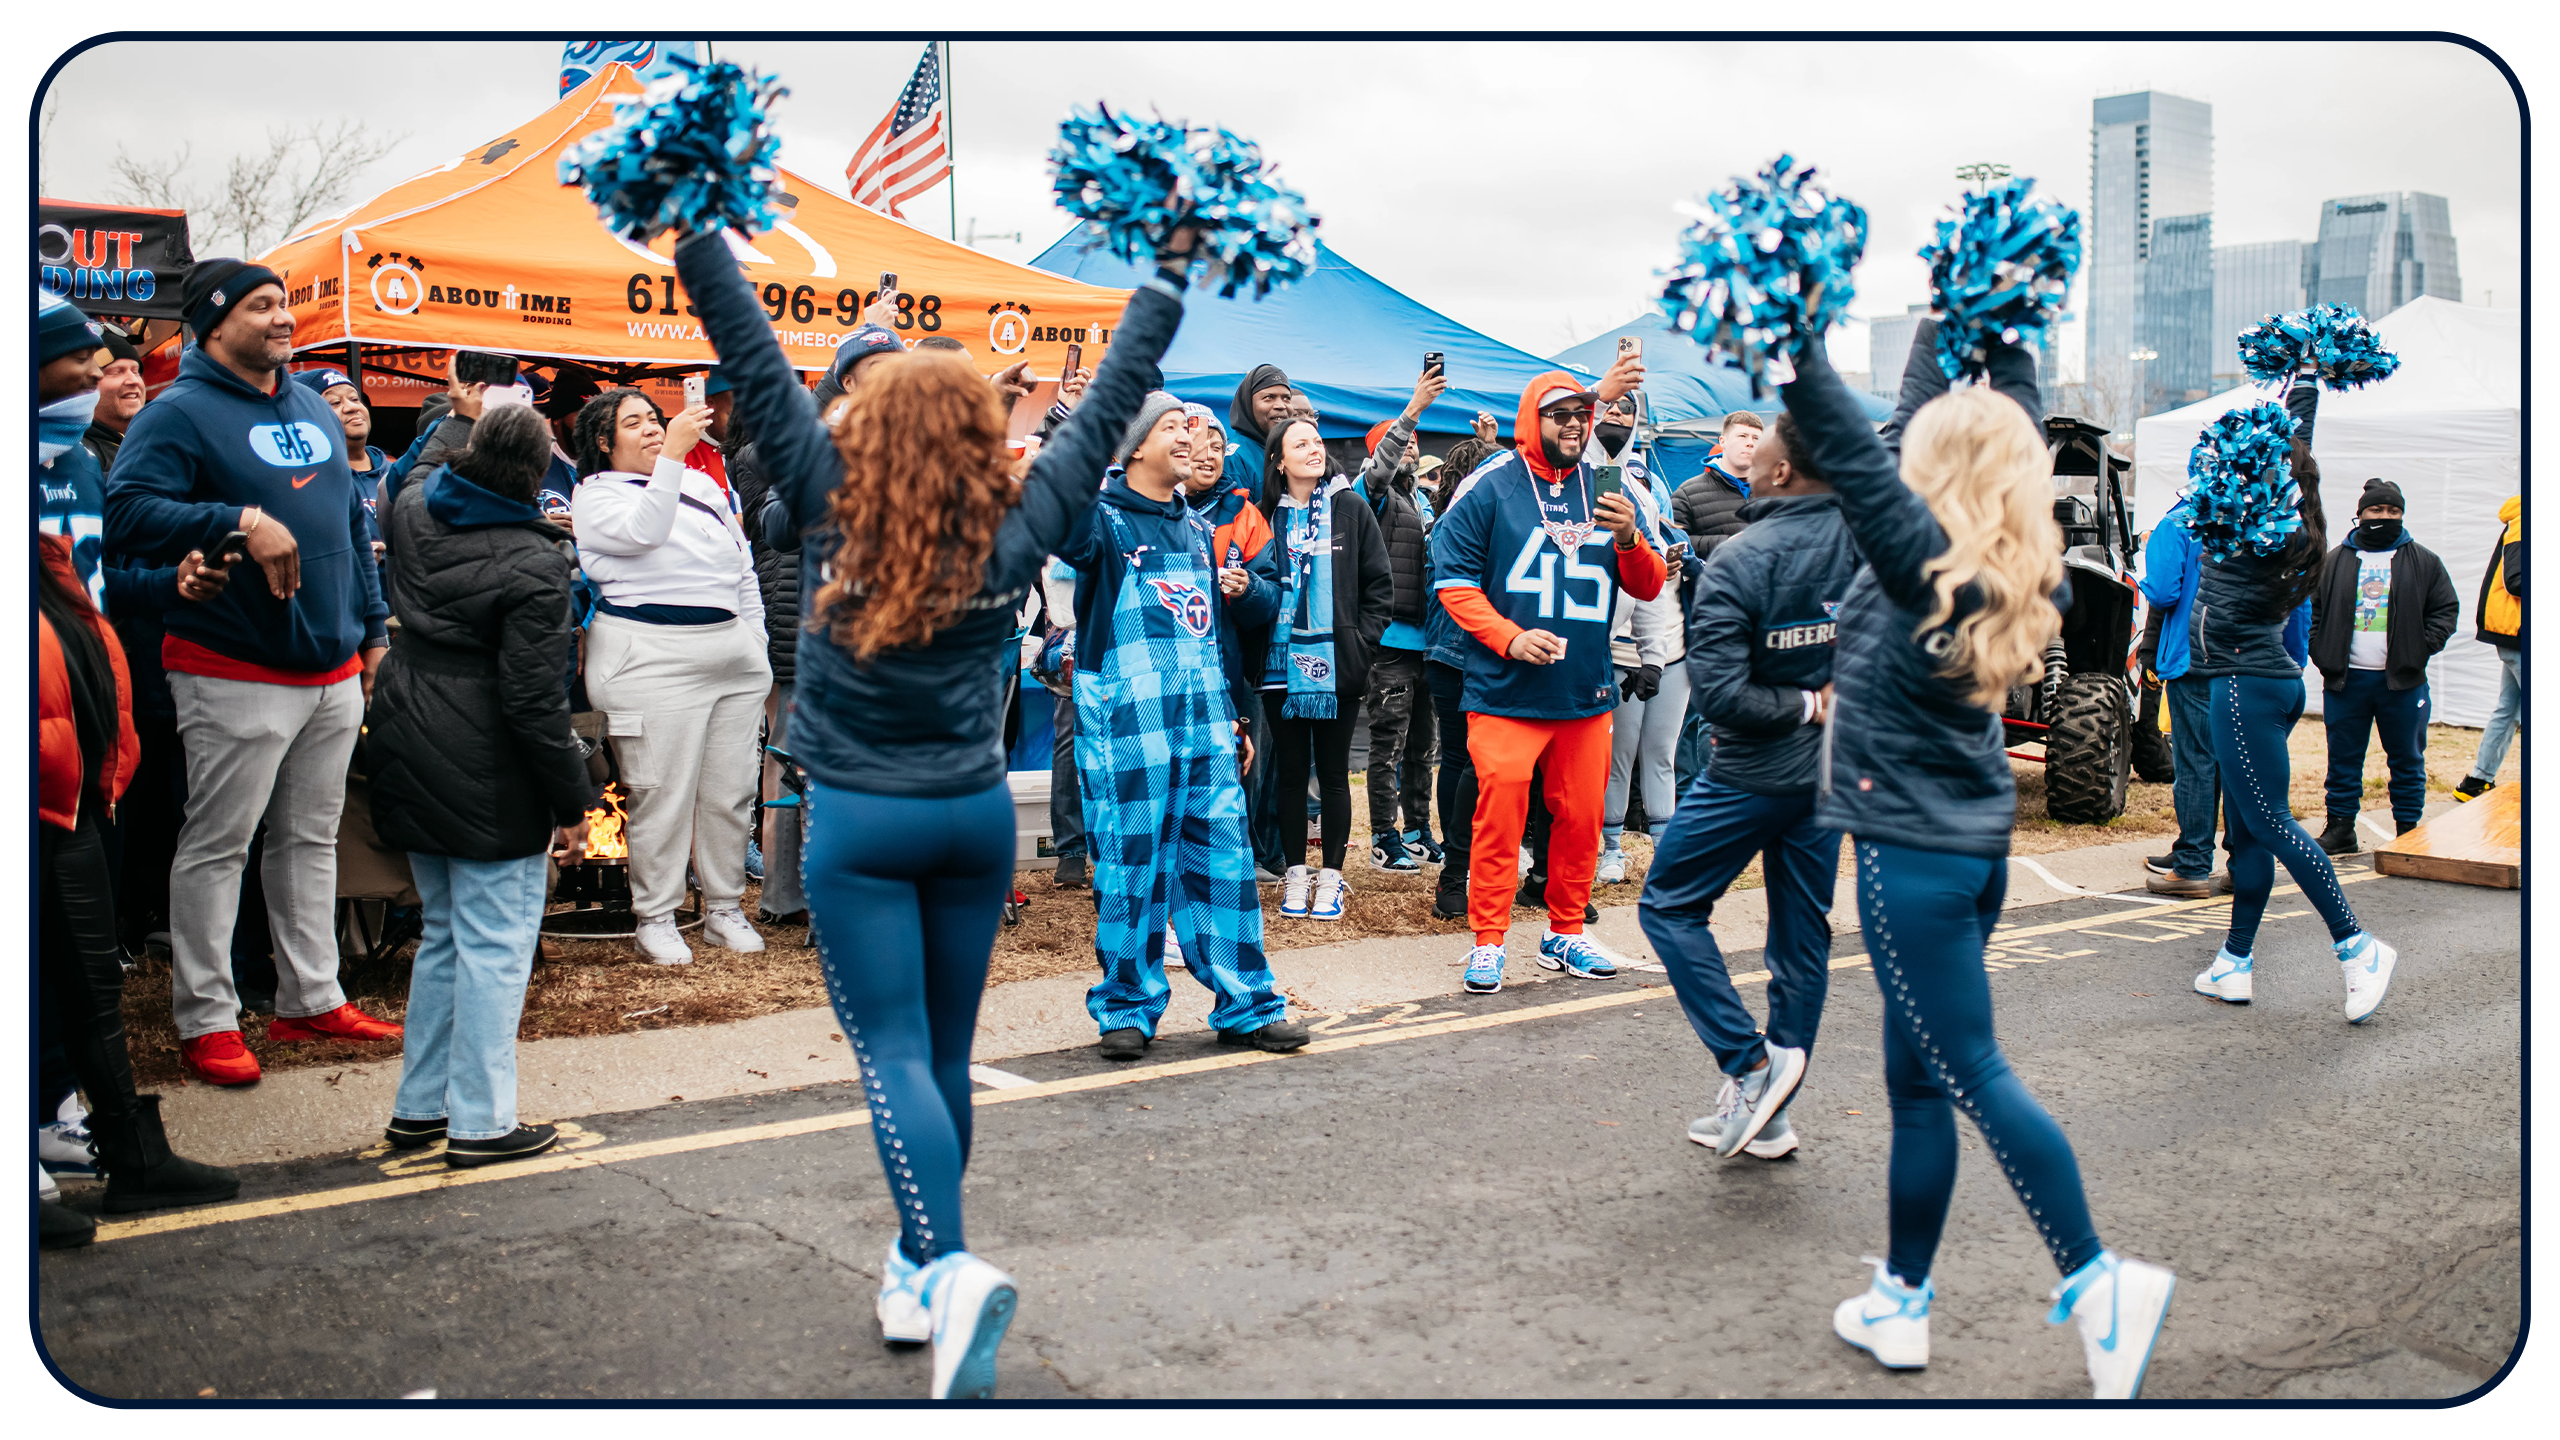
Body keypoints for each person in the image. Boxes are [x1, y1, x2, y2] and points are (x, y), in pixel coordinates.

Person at [674, 214, 1197, 1400]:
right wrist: (1162, 276)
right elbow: (1114, 394)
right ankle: (918, 1265)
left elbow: (747, 346)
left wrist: (699, 230)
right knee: (943, 1057)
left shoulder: (823, 498)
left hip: (862, 826)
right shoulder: (1016, 528)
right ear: (972, 428)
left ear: (865, 426)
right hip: (971, 823)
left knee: (896, 1056)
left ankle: (949, 1264)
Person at [1783, 324, 2174, 1398]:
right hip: (1969, 848)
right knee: (1918, 1087)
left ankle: (2098, 1281)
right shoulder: (2002, 554)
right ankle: (1901, 1301)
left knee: (1967, 1073)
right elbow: (1959, 425)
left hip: (1910, 858)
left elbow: (1855, 444)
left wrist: (1781, 331)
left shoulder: (1913, 558)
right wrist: (1974, 323)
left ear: (1928, 475)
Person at [103, 259, 402, 1087]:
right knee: (218, 844)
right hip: (230, 663)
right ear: (214, 322)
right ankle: (205, 1018)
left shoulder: (307, 399)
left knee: (310, 838)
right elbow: (124, 513)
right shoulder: (177, 413)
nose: (281, 318)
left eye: (283, 305)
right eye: (262, 306)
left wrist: (371, 632)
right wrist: (237, 519)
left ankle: (310, 998)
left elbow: (350, 519)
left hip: (332, 665)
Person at [367, 405, 598, 1167]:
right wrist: (574, 801)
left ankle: (421, 1105)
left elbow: (422, 468)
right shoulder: (537, 564)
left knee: (444, 935)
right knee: (496, 944)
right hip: (484, 752)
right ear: (537, 476)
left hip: (409, 723)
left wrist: (468, 412)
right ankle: (480, 1120)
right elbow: (535, 703)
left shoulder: (412, 510)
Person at [1061, 391, 1306, 1059]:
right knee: (1133, 868)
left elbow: (1209, 636)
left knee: (1224, 866)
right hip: (1130, 730)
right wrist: (1081, 435)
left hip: (1205, 729)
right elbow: (1061, 523)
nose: (1189, 435)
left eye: (1191, 426)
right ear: (1135, 446)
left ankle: (1248, 1004)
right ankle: (1128, 1006)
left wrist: (1231, 716)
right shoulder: (1104, 523)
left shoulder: (1198, 529)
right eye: (1172, 426)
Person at [1638, 409, 1855, 1162]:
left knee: (1667, 906)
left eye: (1759, 446)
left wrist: (1803, 702)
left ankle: (1752, 1066)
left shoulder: (1739, 556)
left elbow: (1722, 694)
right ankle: (1773, 1110)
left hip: (1753, 774)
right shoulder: (1869, 546)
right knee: (1801, 934)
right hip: (1830, 774)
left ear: (1784, 471)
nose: (1747, 451)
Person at [1429, 360, 1662, 995]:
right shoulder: (1492, 483)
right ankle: (1488, 939)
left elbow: (1649, 583)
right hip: (1505, 690)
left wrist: (1630, 540)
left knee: (1583, 816)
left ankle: (1565, 931)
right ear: (1532, 417)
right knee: (1500, 809)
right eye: (1559, 413)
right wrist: (1510, 636)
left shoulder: (1614, 485)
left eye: (1582, 415)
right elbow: (1450, 578)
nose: (1573, 424)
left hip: (1584, 687)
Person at [39, 526, 242, 1244]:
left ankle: (134, 1155)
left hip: (74, 798)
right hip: (42, 798)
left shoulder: (46, 559)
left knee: (91, 988)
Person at [570, 385, 771, 965]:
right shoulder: (594, 495)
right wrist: (676, 460)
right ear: (604, 442)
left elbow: (742, 566)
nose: (655, 428)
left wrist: (752, 639)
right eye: (635, 423)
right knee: (662, 792)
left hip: (729, 651)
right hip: (649, 653)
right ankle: (655, 915)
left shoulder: (703, 483)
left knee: (730, 791)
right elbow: (643, 532)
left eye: (655, 419)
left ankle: (724, 908)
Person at [1258, 416, 1394, 921]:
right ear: (1279, 460)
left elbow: (1380, 586)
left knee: (1335, 775)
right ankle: (1296, 874)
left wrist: (1360, 644)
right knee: (1291, 776)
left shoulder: (1350, 507)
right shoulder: (1264, 514)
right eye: (1301, 444)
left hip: (1338, 665)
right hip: (1278, 666)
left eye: (1316, 441)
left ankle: (1332, 878)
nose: (1314, 449)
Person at [2308, 477, 2459, 851]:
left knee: (2407, 759)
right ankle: (2341, 829)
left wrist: (2419, 649)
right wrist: (2321, 650)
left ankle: (2409, 832)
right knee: (2342, 759)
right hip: (2347, 681)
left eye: (2393, 511)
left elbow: (2445, 609)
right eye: (2376, 509)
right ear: (2360, 515)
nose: (2385, 516)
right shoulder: (2334, 561)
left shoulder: (2423, 561)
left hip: (2403, 683)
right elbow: (2313, 610)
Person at [1358, 369, 1448, 872]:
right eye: (1403, 441)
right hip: (1389, 640)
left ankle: (1417, 829)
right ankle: (1382, 836)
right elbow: (1379, 470)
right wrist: (1410, 411)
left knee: (1422, 745)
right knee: (1387, 744)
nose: (1412, 446)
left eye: (1415, 440)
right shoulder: (1369, 495)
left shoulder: (1419, 500)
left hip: (1425, 640)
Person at [1595, 391, 1685, 880]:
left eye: (1627, 412)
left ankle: (1661, 851)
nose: (1617, 416)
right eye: (1609, 408)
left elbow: (1649, 567)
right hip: (1602, 643)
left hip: (1664, 639)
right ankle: (1606, 849)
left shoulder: (1646, 491)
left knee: (1659, 752)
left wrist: (1673, 556)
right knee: (1616, 756)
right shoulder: (1581, 478)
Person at [1420, 435, 1503, 920]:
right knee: (1465, 759)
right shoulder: (1461, 522)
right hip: (1460, 652)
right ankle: (1457, 871)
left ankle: (1471, 868)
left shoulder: (1451, 519)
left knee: (1466, 760)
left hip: (1462, 653)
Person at [1672, 411, 1764, 794]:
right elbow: (1671, 542)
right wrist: (1724, 545)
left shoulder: (1771, 491)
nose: (1750, 444)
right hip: (1703, 613)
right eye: (1742, 436)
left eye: (1757, 439)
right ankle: (1687, 793)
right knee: (1695, 708)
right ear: (1722, 441)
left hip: (1762, 614)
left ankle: (1740, 786)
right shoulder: (1689, 492)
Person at [2457, 495, 2524, 799]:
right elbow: (2517, 580)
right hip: (2519, 633)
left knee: (2508, 710)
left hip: (2515, 635)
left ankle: (2477, 781)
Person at [293, 367, 389, 565]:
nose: (351, 407)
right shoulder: (307, 481)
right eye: (335, 402)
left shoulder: (398, 472)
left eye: (354, 399)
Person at [84, 322, 148, 474]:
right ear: (85, 387)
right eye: (116, 372)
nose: (133, 380)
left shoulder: (155, 442)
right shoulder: (79, 455)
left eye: (136, 371)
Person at [1224, 363, 1294, 490]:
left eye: (1286, 398)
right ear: (1248, 405)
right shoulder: (1235, 459)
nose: (1281, 405)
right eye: (1269, 397)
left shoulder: (1294, 451)